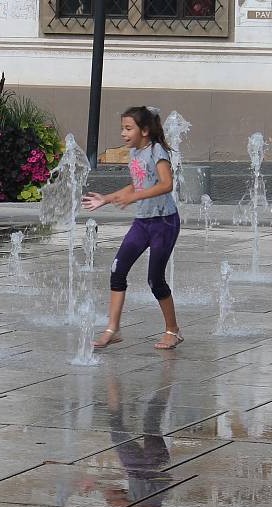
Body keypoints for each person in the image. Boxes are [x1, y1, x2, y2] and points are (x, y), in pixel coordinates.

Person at [82, 106, 182, 350]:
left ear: (145, 130)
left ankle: (173, 330)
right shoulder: (135, 154)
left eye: (128, 128)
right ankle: (112, 329)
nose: (123, 134)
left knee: (155, 280)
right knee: (117, 271)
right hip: (143, 223)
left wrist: (134, 198)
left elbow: (166, 184)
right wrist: (106, 198)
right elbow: (136, 186)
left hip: (164, 222)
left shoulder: (157, 151)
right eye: (122, 129)